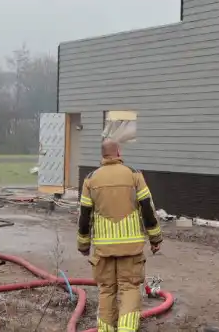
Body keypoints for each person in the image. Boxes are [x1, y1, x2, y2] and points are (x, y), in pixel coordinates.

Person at [77, 139, 163, 332]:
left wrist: (83, 244)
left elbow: (84, 216)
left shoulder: (91, 179)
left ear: (102, 155)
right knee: (130, 289)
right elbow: (148, 209)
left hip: (103, 250)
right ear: (118, 152)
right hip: (131, 249)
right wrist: (155, 239)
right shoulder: (134, 175)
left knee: (106, 290)